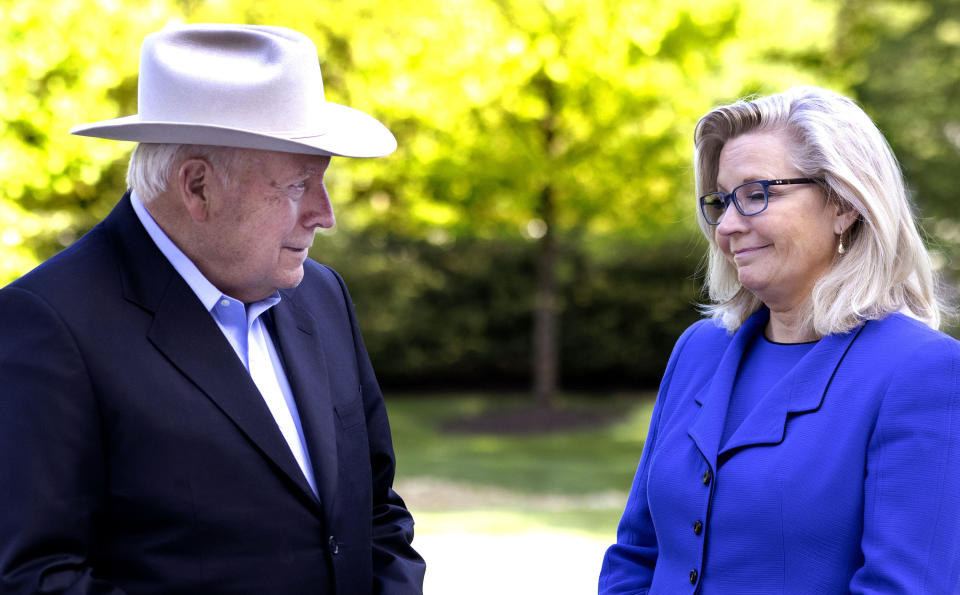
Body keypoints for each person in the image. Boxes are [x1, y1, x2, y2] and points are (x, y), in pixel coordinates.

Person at [0, 24, 425, 594]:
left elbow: (376, 515)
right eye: (300, 186)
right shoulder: (47, 325)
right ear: (197, 186)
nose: (324, 214)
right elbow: (36, 579)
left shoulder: (322, 297)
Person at [598, 86, 960, 594]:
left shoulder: (922, 371)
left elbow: (905, 585)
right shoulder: (698, 350)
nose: (726, 225)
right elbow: (636, 555)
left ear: (844, 204)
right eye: (721, 200)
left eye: (756, 194)